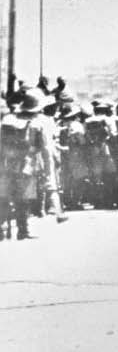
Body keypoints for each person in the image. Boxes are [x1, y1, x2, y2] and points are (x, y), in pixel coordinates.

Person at [0, 89, 46, 240]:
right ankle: (22, 230)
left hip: (6, 164)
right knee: (23, 199)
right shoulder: (36, 124)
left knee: (4, 198)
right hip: (26, 165)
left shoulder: (7, 120)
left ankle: (2, 229)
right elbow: (40, 146)